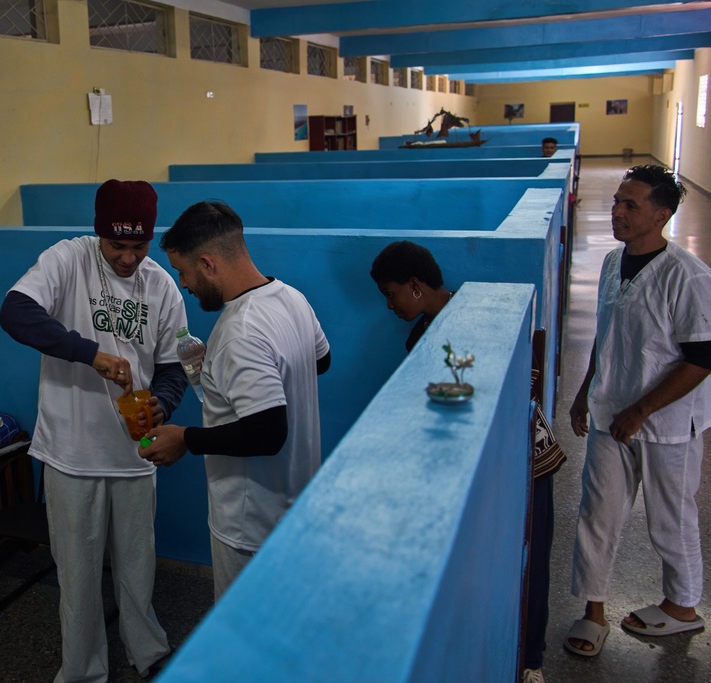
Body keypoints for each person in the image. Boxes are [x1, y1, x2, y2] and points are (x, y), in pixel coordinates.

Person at [0, 179, 188, 683]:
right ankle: (82, 670)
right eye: (117, 246)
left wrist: (163, 406)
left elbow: (172, 366)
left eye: (139, 246)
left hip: (133, 453)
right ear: (98, 233)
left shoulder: (161, 285)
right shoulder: (67, 260)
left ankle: (147, 652)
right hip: (72, 450)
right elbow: (14, 312)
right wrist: (91, 354)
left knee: (137, 567)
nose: (128, 259)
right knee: (78, 574)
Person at [371, 240, 566, 683]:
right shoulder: (422, 336)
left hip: (524, 460)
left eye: (391, 292)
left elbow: (505, 391)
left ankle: (531, 661)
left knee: (530, 564)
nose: (388, 305)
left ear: (416, 286)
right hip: (476, 471)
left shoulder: (481, 315)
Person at [137, 200, 331, 600]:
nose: (184, 284)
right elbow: (321, 361)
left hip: (251, 524)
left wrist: (185, 439)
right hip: (297, 505)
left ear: (208, 264)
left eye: (184, 271)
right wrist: (233, 373)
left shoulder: (239, 330)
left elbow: (267, 433)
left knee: (244, 642)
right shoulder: (290, 297)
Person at [564, 164, 711, 658]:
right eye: (617, 202)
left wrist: (642, 410)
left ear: (662, 215)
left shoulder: (687, 276)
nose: (618, 212)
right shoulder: (610, 263)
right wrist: (586, 391)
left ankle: (683, 607)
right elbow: (607, 337)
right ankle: (593, 612)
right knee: (597, 514)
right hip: (611, 413)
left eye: (631, 205)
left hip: (668, 423)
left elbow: (702, 359)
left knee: (671, 518)